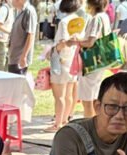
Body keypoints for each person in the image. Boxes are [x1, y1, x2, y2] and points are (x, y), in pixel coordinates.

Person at [45, 0, 82, 133]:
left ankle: (57, 124)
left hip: (61, 62)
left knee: (59, 96)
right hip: (73, 62)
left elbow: (63, 43)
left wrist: (52, 50)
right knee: (68, 94)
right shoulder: (79, 20)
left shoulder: (64, 22)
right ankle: (65, 120)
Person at [74, 0, 111, 119]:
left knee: (87, 99)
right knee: (95, 97)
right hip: (101, 61)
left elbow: (90, 42)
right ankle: (96, 123)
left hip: (91, 62)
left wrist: (77, 41)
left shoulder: (96, 18)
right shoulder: (105, 17)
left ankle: (89, 124)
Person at [7, 0, 37, 74]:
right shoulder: (20, 11)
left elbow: (30, 34)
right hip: (14, 57)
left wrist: (24, 56)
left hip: (19, 59)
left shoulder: (29, 11)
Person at [0, 0, 14, 71]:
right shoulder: (4, 9)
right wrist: (11, 33)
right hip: (1, 40)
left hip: (7, 40)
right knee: (1, 64)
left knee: (7, 63)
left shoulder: (11, 9)